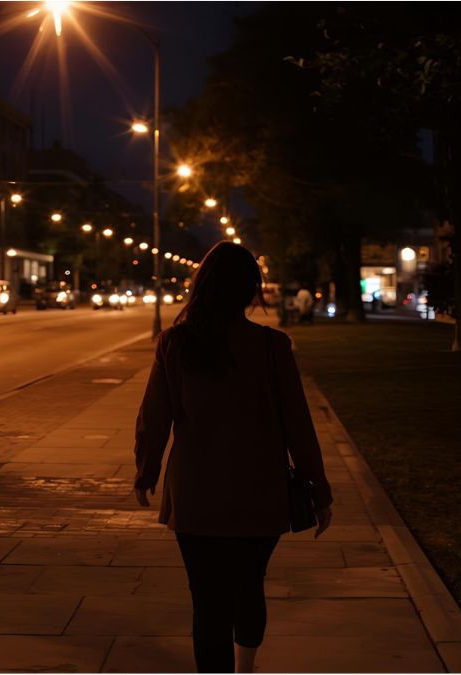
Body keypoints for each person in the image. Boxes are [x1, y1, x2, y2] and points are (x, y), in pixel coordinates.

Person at [134, 242, 333, 673]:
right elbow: (298, 425)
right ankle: (246, 668)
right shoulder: (272, 346)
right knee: (248, 585)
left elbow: (154, 416)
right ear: (250, 291)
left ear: (200, 287)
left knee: (206, 601)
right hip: (259, 493)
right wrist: (319, 490)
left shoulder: (175, 343)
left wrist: (145, 472)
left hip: (195, 494)